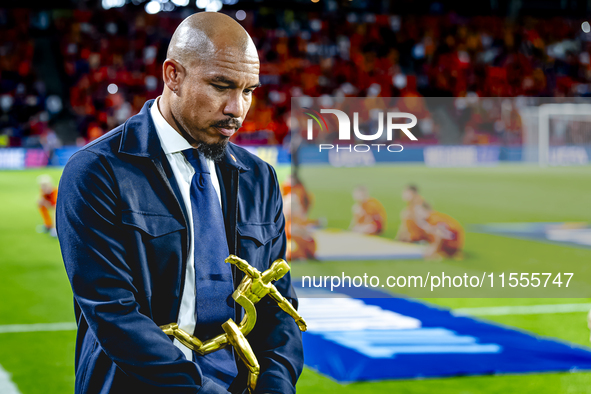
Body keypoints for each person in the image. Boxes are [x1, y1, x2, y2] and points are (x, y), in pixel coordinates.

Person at [56, 12, 303, 394]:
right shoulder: (96, 172)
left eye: (248, 91)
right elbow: (113, 313)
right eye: (221, 86)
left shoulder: (260, 178)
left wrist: (276, 384)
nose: (237, 108)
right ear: (173, 75)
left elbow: (277, 305)